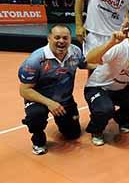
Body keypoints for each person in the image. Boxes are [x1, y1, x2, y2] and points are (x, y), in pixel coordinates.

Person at [18, 25, 92, 155]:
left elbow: (85, 64)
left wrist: (109, 64)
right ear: (49, 38)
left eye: (65, 38)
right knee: (36, 116)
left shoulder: (75, 51)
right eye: (57, 37)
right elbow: (24, 90)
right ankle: (38, 139)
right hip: (39, 99)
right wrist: (49, 103)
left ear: (70, 39)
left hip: (64, 99)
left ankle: (64, 122)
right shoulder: (35, 61)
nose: (61, 41)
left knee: (73, 134)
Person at [84, 20, 129, 146]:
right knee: (105, 109)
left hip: (121, 88)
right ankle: (96, 130)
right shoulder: (119, 47)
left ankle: (122, 119)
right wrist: (110, 43)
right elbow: (90, 59)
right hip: (98, 87)